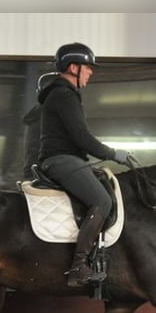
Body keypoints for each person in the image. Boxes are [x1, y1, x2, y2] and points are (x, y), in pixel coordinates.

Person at [37, 42, 130, 287]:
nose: (91, 72)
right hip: (61, 160)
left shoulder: (65, 94)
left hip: (67, 159)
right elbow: (82, 138)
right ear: (72, 67)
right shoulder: (63, 95)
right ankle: (78, 265)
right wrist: (113, 153)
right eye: (87, 67)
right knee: (103, 201)